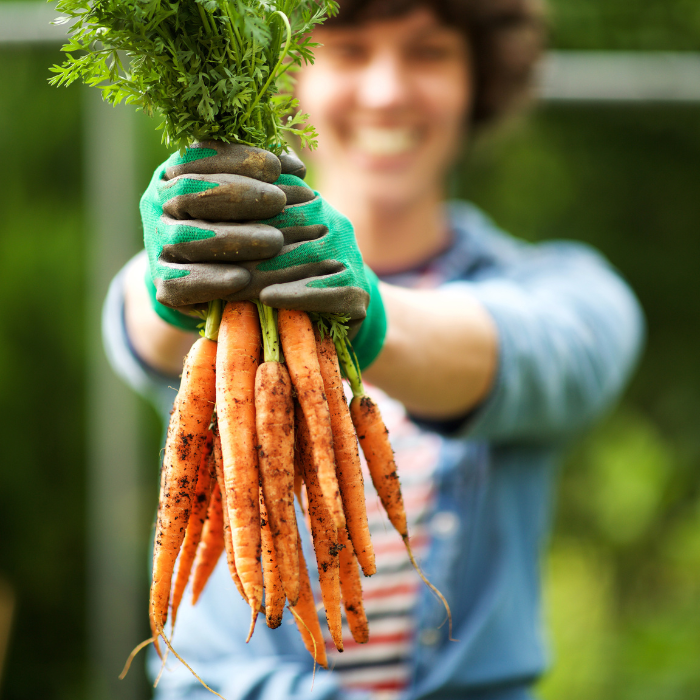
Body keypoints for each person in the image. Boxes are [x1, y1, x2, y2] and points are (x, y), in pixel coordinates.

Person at [103, 0, 644, 698]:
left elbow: (535, 355)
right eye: (349, 49)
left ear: (480, 76)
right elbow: (138, 328)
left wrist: (369, 313)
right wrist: (173, 269)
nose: (387, 91)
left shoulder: (567, 291)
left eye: (429, 53)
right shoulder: (212, 292)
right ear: (284, 74)